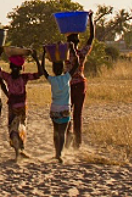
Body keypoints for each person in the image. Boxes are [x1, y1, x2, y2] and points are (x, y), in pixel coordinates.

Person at [0, 50, 43, 162]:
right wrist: (36, 58)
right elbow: (40, 73)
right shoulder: (24, 77)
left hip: (12, 107)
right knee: (21, 127)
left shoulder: (8, 77)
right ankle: (20, 150)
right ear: (22, 68)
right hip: (22, 107)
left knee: (13, 129)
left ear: (11, 67)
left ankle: (18, 152)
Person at [64, 10, 95, 149]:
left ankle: (69, 138)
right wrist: (91, 20)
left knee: (68, 113)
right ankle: (77, 142)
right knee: (77, 114)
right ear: (77, 42)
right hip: (80, 84)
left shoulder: (64, 55)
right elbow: (91, 38)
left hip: (69, 85)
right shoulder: (81, 54)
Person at [40, 45, 72, 163]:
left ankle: (56, 152)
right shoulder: (67, 77)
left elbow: (43, 69)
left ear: (53, 70)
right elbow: (77, 64)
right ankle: (60, 153)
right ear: (63, 69)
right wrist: (72, 49)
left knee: (56, 131)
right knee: (62, 133)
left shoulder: (52, 80)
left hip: (54, 108)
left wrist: (43, 54)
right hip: (65, 109)